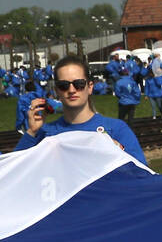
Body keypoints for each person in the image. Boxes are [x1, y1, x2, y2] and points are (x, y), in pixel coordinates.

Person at [14, 55, 147, 163]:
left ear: (90, 87)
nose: (72, 90)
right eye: (64, 85)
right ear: (57, 91)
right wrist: (32, 132)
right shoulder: (45, 133)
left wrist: (118, 151)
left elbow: (142, 175)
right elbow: (12, 173)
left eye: (79, 84)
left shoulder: (116, 129)